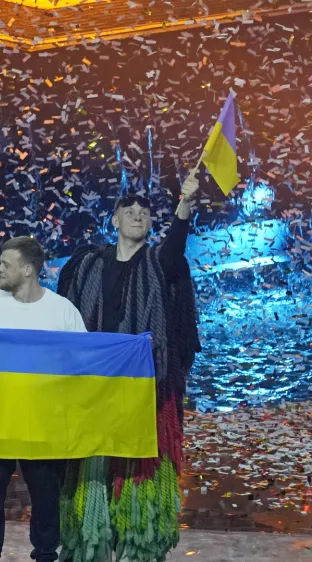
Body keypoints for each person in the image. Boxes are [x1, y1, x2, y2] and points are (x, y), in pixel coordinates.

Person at [56, 172, 201, 562]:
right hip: (95, 388)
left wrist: (183, 208)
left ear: (152, 223)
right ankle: (92, 542)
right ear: (115, 220)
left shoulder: (159, 262)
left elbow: (174, 250)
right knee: (93, 468)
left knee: (139, 468)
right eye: (129, 210)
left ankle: (137, 544)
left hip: (145, 389)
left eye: (145, 212)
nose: (138, 215)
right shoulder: (87, 265)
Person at [0, 237, 86, 562]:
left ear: (28, 270)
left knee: (46, 498)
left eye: (6, 264)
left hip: (43, 424)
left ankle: (46, 555)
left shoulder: (62, 310)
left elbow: (84, 364)